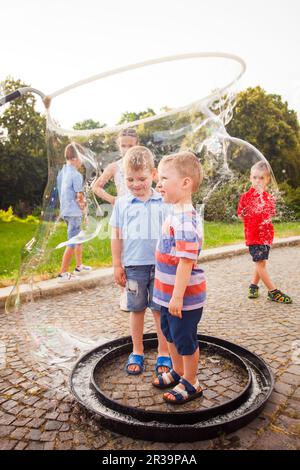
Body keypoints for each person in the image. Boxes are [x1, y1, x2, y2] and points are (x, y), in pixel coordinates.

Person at [109, 145, 172, 376]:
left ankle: (163, 352)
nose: (136, 184)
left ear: (154, 175)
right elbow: (116, 236)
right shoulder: (123, 203)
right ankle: (137, 350)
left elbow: (172, 233)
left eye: (142, 178)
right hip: (134, 266)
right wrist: (117, 264)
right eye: (130, 179)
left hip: (161, 266)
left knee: (159, 310)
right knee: (136, 310)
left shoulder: (163, 201)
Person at [152, 151, 206, 404]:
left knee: (184, 338)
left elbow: (186, 261)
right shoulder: (175, 212)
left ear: (185, 183)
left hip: (182, 298)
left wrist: (176, 296)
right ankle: (177, 370)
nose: (158, 183)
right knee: (169, 334)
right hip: (168, 296)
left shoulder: (185, 219)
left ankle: (191, 382)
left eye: (164, 178)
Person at [93, 128, 138, 310]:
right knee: (124, 253)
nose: (127, 149)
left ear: (137, 145)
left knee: (140, 252)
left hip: (142, 213)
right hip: (124, 213)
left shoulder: (142, 164)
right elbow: (97, 187)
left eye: (131, 145)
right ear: (118, 146)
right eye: (123, 145)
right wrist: (113, 199)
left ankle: (142, 290)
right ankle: (125, 294)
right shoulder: (115, 167)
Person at [237, 161, 292, 303]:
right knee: (260, 263)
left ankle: (253, 286)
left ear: (267, 179)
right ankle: (273, 292)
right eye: (255, 177)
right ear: (250, 178)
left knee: (261, 263)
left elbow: (271, 215)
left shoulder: (268, 198)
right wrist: (249, 222)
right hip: (254, 236)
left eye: (261, 178)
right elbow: (240, 215)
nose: (258, 181)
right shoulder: (245, 197)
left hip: (266, 236)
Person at [56, 142, 91, 282]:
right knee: (72, 241)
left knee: (78, 238)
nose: (82, 161)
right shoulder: (76, 175)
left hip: (65, 211)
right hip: (74, 212)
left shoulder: (62, 173)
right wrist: (85, 208)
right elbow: (79, 196)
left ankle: (79, 266)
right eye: (82, 157)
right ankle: (63, 273)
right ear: (76, 158)